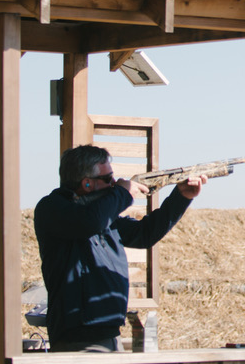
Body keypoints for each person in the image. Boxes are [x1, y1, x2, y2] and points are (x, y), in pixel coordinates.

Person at [34, 144, 205, 352]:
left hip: (108, 333)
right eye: (108, 179)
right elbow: (91, 222)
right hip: (78, 338)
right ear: (86, 184)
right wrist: (123, 193)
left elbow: (145, 234)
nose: (114, 184)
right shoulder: (54, 208)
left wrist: (181, 197)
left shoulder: (101, 215)